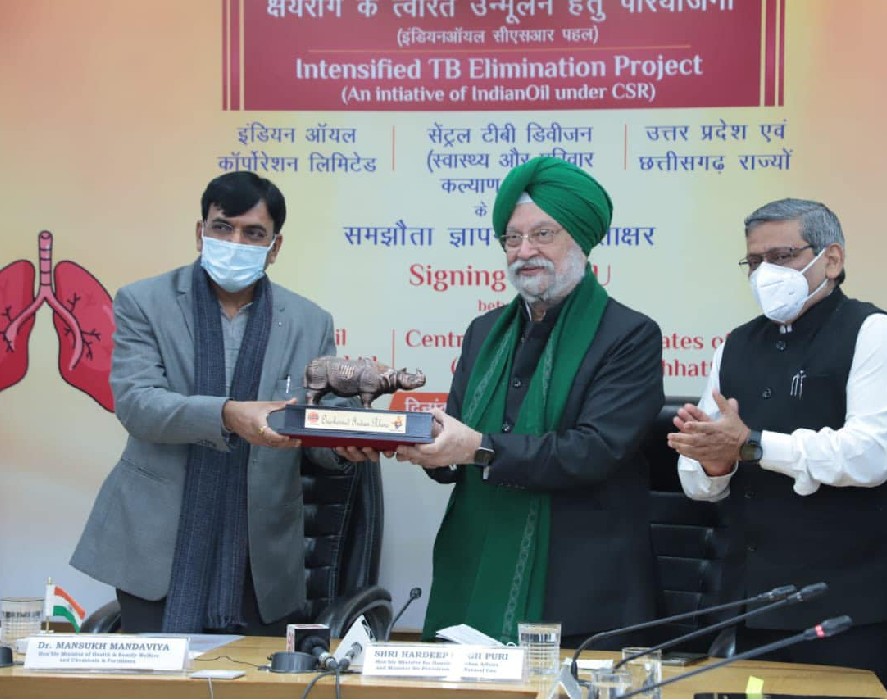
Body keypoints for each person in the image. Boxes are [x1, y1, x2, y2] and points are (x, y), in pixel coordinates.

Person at [338, 157, 665, 647]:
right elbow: (453, 451)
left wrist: (476, 449)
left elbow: (593, 451)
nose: (524, 251)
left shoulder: (629, 335)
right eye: (512, 238)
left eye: (543, 235)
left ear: (580, 238)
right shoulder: (484, 333)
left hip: (580, 591)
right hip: (475, 565)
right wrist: (407, 443)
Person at [669, 198, 887, 698]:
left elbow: (870, 455)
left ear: (830, 260)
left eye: (783, 256)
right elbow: (701, 484)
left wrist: (751, 444)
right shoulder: (735, 345)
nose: (765, 272)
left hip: (859, 613)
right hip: (757, 610)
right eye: (754, 261)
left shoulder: (876, 333)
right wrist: (714, 461)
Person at [72, 171, 348, 634]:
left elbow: (316, 426)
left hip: (260, 554)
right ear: (200, 233)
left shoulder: (309, 321)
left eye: (253, 233)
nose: (235, 241)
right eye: (223, 227)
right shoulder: (144, 302)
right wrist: (227, 415)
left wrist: (345, 445)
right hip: (156, 547)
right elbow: (138, 406)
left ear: (274, 247)